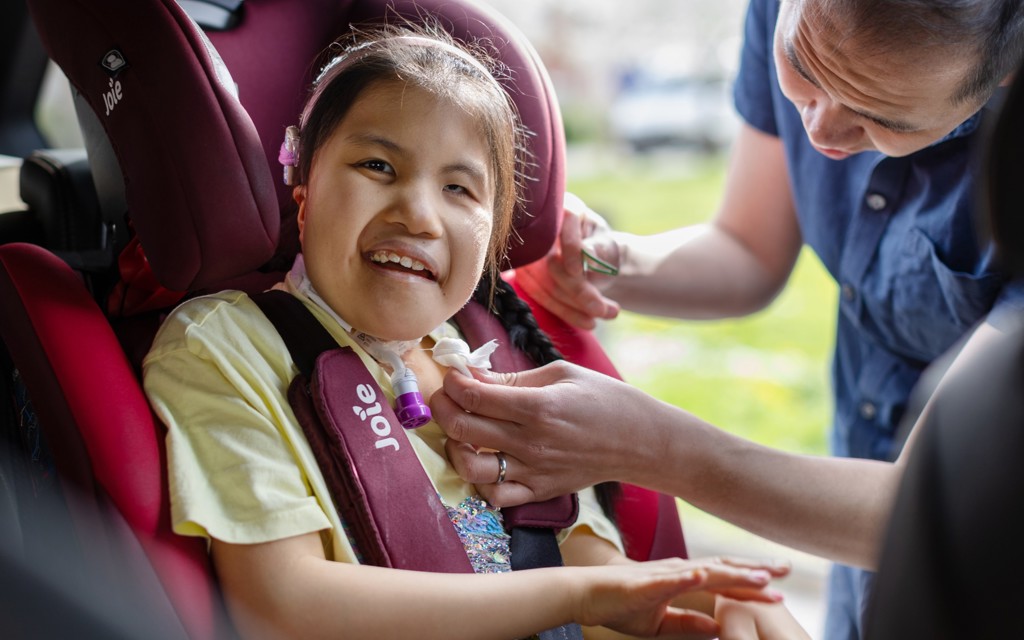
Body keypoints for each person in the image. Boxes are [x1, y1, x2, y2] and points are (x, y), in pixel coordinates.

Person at [142, 26, 807, 640]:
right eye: (378, 166)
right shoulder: (226, 348)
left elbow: (596, 570)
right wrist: (576, 596)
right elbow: (279, 605)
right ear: (303, 186)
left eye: (459, 189)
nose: (420, 215)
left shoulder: (505, 360)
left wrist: (707, 601)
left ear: (493, 235)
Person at [432, 0, 1024, 638]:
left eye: (881, 120)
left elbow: (931, 506)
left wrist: (655, 449)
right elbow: (748, 248)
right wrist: (603, 261)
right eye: (801, 66)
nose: (821, 131)